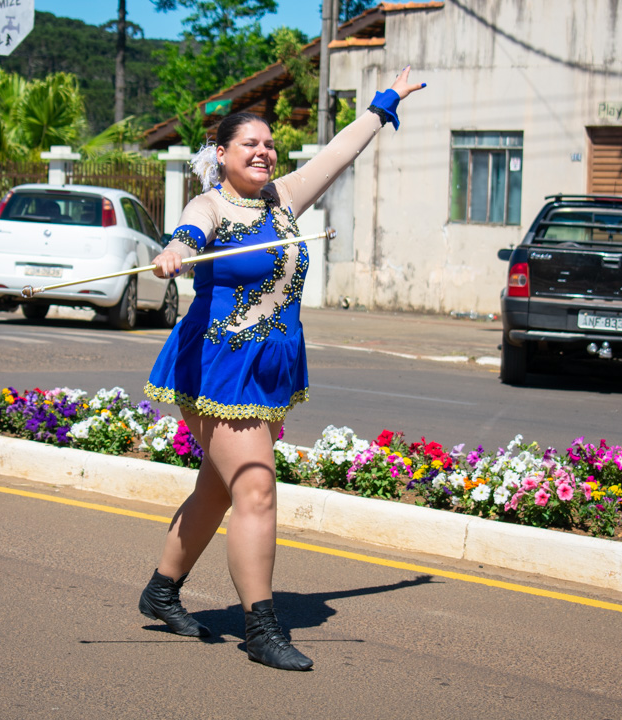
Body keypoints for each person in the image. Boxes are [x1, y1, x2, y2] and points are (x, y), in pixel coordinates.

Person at [139, 67, 426, 670]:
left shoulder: (287, 198)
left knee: (219, 489)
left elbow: (341, 150)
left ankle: (162, 591)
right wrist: (173, 255)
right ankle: (261, 628)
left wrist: (384, 103)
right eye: (250, 143)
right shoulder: (210, 203)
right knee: (256, 488)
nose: (265, 151)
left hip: (268, 365)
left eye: (270, 143)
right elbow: (189, 236)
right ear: (221, 154)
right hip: (217, 364)